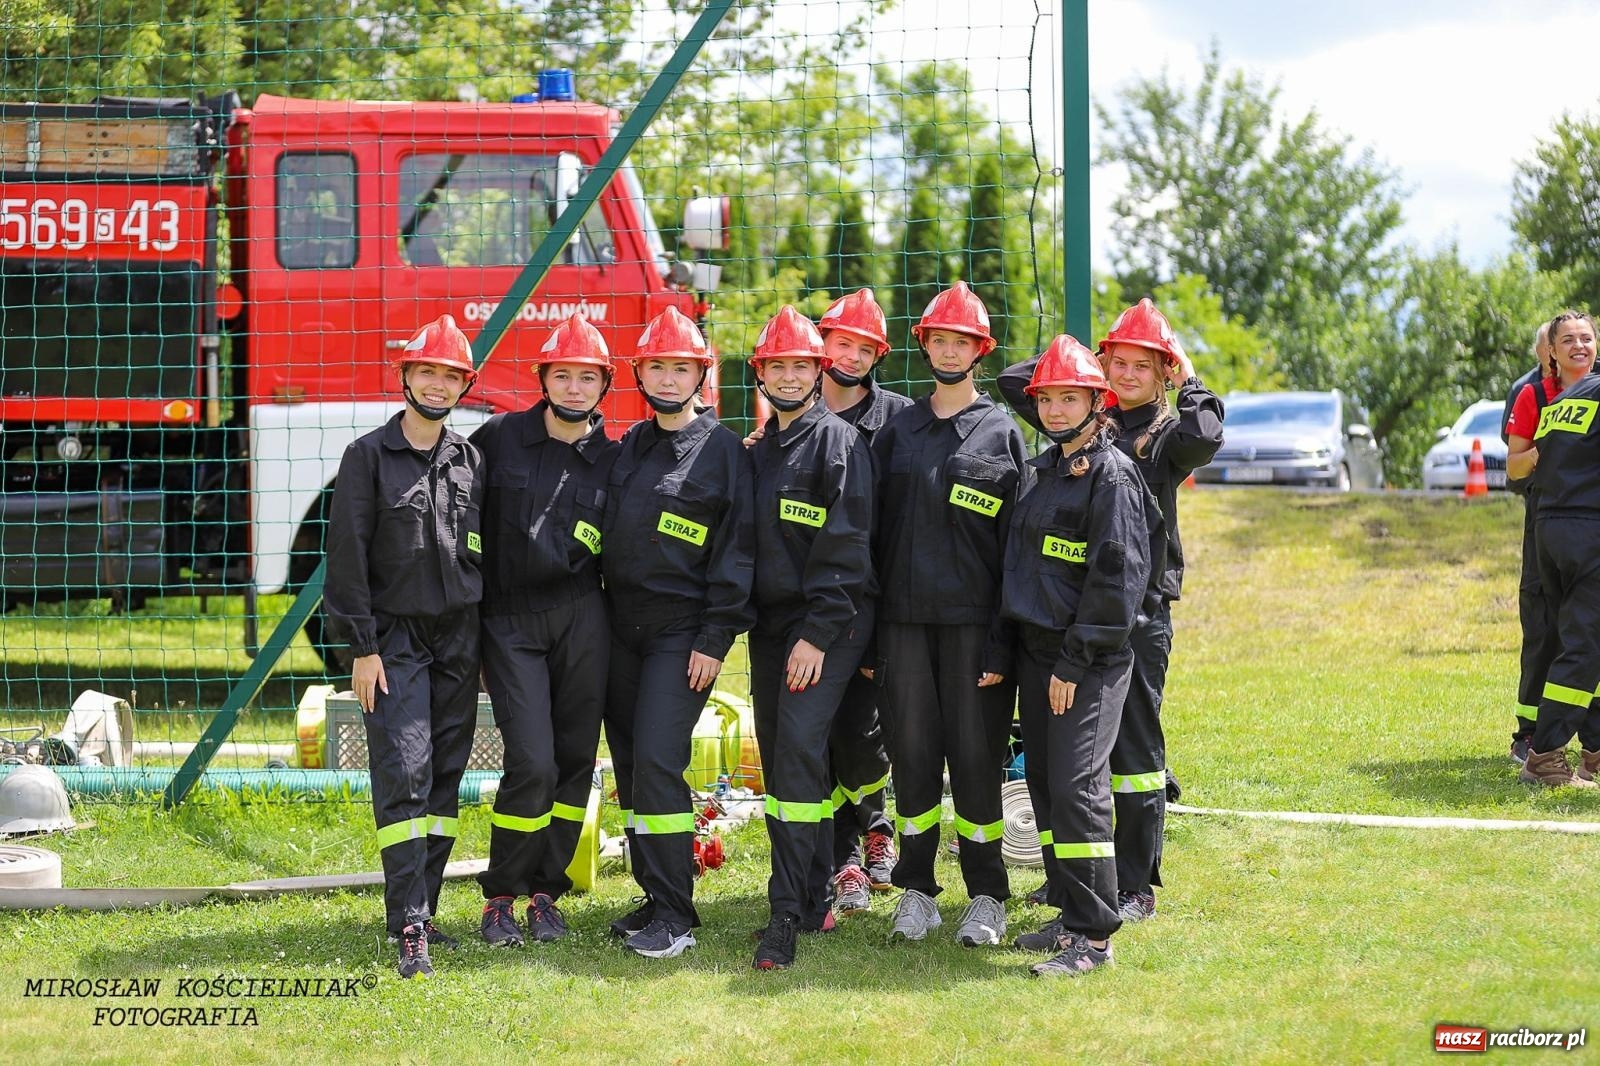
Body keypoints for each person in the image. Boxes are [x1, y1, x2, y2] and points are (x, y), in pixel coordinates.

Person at [1001, 297, 1223, 922]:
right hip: (1072, 608)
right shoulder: (1082, 416)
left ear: (1163, 373)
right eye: (1116, 363)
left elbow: (1207, 436)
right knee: (1064, 758)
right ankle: (1068, 880)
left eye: (1141, 366)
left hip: (1139, 609)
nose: (1126, 375)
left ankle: (1135, 880)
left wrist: (1188, 373)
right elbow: (1015, 381)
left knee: (1132, 752)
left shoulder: (1166, 434)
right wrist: (1078, 368)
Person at [323, 314, 485, 979]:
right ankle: (409, 922)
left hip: (459, 640)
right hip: (393, 642)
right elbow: (346, 560)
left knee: (445, 774)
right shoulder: (366, 457)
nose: (439, 385)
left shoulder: (469, 460)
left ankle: (425, 909)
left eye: (451, 376)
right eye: (428, 372)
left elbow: (482, 557)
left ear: (464, 385)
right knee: (405, 771)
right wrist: (363, 648)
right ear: (406, 377)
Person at [872, 280, 1028, 947]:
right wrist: (870, 639)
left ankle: (987, 894)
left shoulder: (1002, 431)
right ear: (925, 346)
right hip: (902, 627)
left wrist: (1002, 643)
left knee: (975, 761)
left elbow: (1017, 551)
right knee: (911, 759)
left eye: (961, 341)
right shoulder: (897, 431)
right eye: (939, 339)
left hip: (974, 631)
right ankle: (916, 890)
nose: (949, 350)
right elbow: (869, 537)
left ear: (980, 351)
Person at [999, 335, 1161, 977]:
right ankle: (1069, 912)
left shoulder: (1112, 476)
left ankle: (1094, 938)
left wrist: (1073, 662)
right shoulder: (1043, 469)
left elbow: (1116, 583)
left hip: (1086, 664)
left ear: (1099, 403)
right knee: (1044, 786)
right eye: (1047, 399)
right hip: (1036, 656)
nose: (1055, 410)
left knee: (1077, 790)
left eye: (1071, 398)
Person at [601, 305, 756, 958]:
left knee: (660, 760)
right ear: (640, 373)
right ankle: (651, 890)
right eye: (657, 366)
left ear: (701, 375)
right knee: (632, 764)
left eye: (681, 368)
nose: (668, 378)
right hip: (621, 631)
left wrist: (714, 638)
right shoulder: (631, 445)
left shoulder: (723, 453)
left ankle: (676, 915)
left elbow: (738, 552)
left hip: (681, 635)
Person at [470, 313, 619, 947]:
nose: (575, 388)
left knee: (574, 761)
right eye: (563, 375)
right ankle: (501, 894)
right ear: (543, 379)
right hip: (509, 621)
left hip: (584, 617)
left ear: (605, 385)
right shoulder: (498, 437)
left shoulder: (615, 458)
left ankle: (545, 892)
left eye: (587, 377)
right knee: (531, 760)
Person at [744, 305, 876, 969]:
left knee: (797, 753)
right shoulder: (758, 451)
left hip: (828, 627)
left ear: (819, 371)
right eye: (779, 366)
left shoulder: (839, 445)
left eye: (802, 365)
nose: (790, 377)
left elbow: (848, 548)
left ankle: (785, 914)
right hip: (771, 630)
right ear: (760, 373)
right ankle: (817, 891)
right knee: (783, 761)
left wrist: (818, 635)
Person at [815, 289, 911, 914]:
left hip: (873, 603)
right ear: (822, 343)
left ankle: (876, 825)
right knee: (815, 734)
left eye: (864, 349)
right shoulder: (792, 411)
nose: (851, 357)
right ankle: (843, 857)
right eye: (841, 343)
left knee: (860, 730)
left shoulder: (899, 421)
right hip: (807, 605)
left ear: (879, 356)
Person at [1510, 310, 1600, 787]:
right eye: (1569, 339)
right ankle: (1543, 754)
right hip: (1585, 531)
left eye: (1587, 338)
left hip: (1552, 528)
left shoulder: (1567, 399)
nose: (1579, 346)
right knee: (1582, 644)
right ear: (1551, 350)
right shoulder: (1555, 393)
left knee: (1583, 638)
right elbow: (1517, 466)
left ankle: (1595, 752)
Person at [1501, 323, 1554, 764]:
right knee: (1540, 623)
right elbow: (1515, 461)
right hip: (1546, 513)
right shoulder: (1528, 392)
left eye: (1585, 340)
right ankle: (1529, 733)